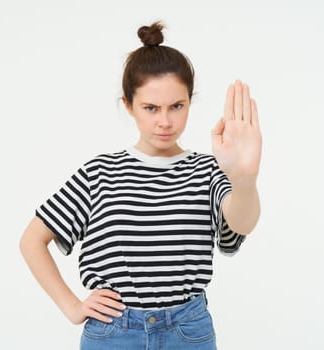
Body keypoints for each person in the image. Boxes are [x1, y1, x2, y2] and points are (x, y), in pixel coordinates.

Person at [20, 21, 262, 350]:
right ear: (129, 105)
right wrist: (71, 306)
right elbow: (32, 240)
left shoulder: (207, 169)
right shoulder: (100, 172)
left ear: (190, 102)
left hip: (187, 331)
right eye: (151, 108)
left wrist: (244, 180)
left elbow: (241, 222)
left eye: (177, 106)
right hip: (114, 332)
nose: (165, 121)